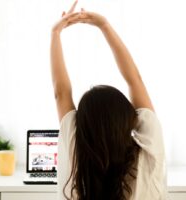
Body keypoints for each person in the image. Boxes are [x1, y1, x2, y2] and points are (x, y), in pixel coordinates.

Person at [50, 1, 167, 200]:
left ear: (81, 125)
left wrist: (55, 33)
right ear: (129, 118)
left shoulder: (76, 156)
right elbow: (134, 80)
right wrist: (104, 26)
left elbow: (61, 92)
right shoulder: (150, 152)